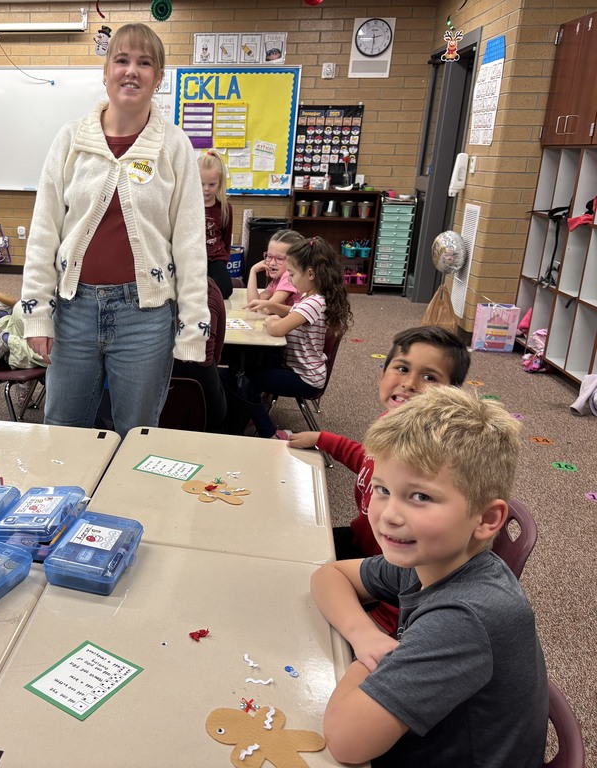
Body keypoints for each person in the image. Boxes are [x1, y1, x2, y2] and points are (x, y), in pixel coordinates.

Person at [311, 387, 547, 767]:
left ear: (486, 520)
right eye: (383, 489)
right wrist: (365, 635)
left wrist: (373, 660)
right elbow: (330, 575)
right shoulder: (431, 559)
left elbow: (346, 742)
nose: (388, 514)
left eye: (420, 497)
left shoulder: (464, 617)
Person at [21, 22, 209, 437]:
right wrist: (37, 314)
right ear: (105, 72)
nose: (131, 71)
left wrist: (194, 326)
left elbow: (191, 244)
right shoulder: (70, 140)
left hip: (146, 316)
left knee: (137, 434)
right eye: (121, 60)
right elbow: (43, 232)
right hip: (74, 310)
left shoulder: (174, 147)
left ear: (158, 78)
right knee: (64, 429)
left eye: (144, 63)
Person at [288, 325, 470, 634]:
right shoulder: (392, 425)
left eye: (429, 377)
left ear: (451, 394)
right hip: (367, 543)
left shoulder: (429, 455)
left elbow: (414, 571)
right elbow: (365, 459)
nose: (409, 383)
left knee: (302, 605)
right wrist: (324, 438)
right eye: (401, 368)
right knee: (293, 550)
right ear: (383, 373)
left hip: (390, 563)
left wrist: (377, 627)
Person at [230, 236, 352, 438]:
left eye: (293, 274)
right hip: (301, 369)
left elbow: (277, 329)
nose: (291, 280)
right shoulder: (312, 297)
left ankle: (267, 432)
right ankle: (241, 421)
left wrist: (271, 319)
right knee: (247, 367)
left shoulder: (313, 302)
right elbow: (293, 311)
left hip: (304, 378)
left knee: (247, 381)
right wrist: (271, 306)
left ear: (310, 274)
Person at [170, 277, 227, 432]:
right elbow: (215, 356)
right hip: (204, 402)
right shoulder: (210, 291)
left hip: (155, 403)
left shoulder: (146, 293)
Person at [197, 149, 234, 300]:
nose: (206, 189)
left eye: (212, 184)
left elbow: (226, 239)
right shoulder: (188, 205)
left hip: (216, 257)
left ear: (220, 183)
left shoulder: (224, 208)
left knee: (225, 291)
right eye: (202, 184)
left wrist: (223, 262)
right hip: (194, 256)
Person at [245, 228, 303, 308]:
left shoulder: (288, 276)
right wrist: (253, 271)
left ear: (296, 260)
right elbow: (253, 304)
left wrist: (265, 306)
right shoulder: (277, 280)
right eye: (269, 256)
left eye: (279, 258)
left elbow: (269, 308)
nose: (272, 263)